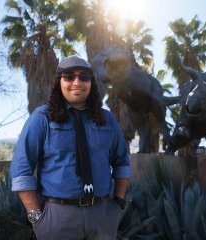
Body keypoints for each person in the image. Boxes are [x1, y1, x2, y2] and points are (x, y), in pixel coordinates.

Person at [9, 55, 131, 240]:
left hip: (103, 215)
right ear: (59, 81)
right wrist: (36, 218)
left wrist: (118, 204)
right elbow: (21, 169)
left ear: (91, 83)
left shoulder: (106, 119)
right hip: (58, 218)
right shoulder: (42, 118)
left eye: (84, 76)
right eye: (69, 76)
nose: (77, 82)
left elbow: (121, 161)